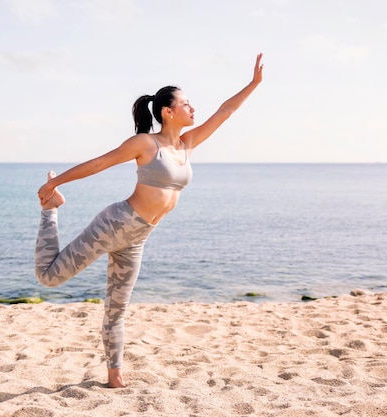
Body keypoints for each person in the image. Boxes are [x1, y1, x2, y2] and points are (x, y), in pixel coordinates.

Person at [35, 53, 264, 388]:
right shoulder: (145, 143)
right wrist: (54, 184)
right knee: (49, 278)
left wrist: (254, 83)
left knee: (117, 308)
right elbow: (100, 163)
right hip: (114, 224)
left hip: (138, 236)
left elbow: (225, 112)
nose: (193, 108)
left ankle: (115, 377)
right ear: (168, 112)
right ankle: (50, 209)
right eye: (186, 104)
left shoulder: (187, 144)